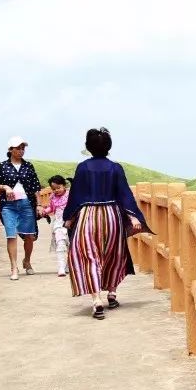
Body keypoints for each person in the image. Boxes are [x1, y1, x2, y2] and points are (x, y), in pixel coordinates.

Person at [62, 127, 152, 319]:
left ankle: (96, 300)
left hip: (88, 215)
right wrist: (134, 217)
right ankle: (112, 293)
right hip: (112, 215)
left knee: (89, 256)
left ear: (88, 147)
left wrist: (69, 218)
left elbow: (75, 195)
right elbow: (125, 195)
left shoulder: (83, 167)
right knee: (114, 255)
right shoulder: (115, 168)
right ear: (109, 147)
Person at [0, 136, 43, 280]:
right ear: (10, 150)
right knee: (11, 235)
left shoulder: (28, 166)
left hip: (27, 204)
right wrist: (6, 187)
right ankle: (14, 267)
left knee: (29, 236)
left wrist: (39, 204)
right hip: (8, 206)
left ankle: (27, 260)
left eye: (22, 148)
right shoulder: (3, 166)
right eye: (18, 148)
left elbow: (36, 187)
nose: (21, 151)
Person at [44, 175, 71, 277]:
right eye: (54, 189)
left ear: (64, 185)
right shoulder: (52, 197)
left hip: (71, 222)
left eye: (58, 187)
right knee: (60, 244)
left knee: (71, 245)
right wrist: (45, 212)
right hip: (59, 223)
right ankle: (61, 267)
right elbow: (51, 208)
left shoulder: (71, 195)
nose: (56, 190)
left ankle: (68, 265)